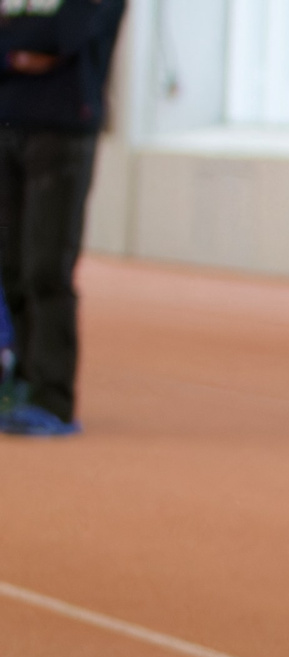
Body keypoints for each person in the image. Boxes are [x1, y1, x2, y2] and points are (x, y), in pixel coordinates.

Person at [0, 0, 127, 439]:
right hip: (8, 121)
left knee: (46, 268)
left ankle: (51, 398)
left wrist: (15, 37)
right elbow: (47, 36)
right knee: (9, 268)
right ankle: (17, 384)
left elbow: (66, 35)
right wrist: (18, 53)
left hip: (63, 131)